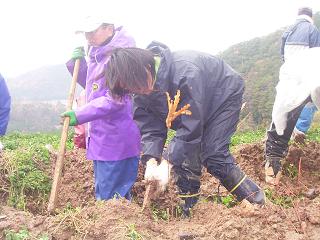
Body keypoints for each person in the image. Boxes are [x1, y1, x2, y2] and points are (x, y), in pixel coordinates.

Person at [105, 42, 265, 216]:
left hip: (223, 96)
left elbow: (191, 127)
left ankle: (257, 203)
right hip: (195, 108)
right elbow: (151, 129)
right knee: (183, 153)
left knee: (213, 155)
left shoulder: (185, 73)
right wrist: (151, 160)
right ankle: (190, 209)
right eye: (131, 89)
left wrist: (167, 162)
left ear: (144, 67)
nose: (138, 90)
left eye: (136, 84)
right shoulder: (141, 93)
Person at [62, 16, 141, 200]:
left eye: (92, 31)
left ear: (109, 27)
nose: (88, 36)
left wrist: (80, 115)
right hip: (102, 136)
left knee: (111, 199)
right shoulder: (99, 53)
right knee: (108, 195)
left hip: (116, 139)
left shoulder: (122, 56)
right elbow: (94, 89)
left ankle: (118, 228)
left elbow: (115, 99)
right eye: (85, 33)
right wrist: (78, 65)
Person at [265, 47, 320, 185]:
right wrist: (275, 153)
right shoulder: (294, 88)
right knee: (285, 120)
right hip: (301, 75)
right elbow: (281, 120)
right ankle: (273, 168)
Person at [280, 6, 320, 141]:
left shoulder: (288, 30)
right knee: (310, 101)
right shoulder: (312, 29)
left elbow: (282, 53)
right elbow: (316, 54)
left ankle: (286, 131)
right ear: (310, 17)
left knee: (291, 101)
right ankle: (299, 131)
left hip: (290, 72)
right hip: (305, 71)